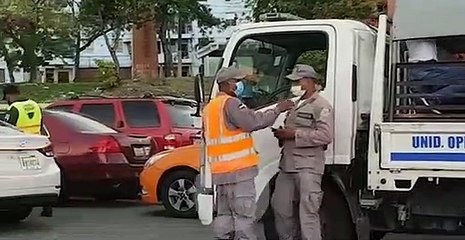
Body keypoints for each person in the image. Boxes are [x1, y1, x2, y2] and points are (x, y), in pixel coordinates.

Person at [202, 66, 294, 239]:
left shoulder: (210, 108)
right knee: (243, 217)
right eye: (238, 81)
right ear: (230, 85)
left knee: (224, 217)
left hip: (220, 173)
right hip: (239, 172)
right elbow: (253, 122)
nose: (240, 85)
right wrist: (277, 109)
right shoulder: (231, 103)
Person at [271, 64, 334, 240]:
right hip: (287, 165)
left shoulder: (321, 105)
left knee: (308, 213)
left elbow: (325, 136)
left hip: (308, 167)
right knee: (280, 207)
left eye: (298, 81)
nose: (295, 86)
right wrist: (282, 134)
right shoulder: (296, 104)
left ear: (310, 81)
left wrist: (294, 134)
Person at [2, 84, 53, 217]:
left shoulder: (14, 108)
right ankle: (47, 207)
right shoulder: (35, 104)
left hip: (17, 145)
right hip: (36, 143)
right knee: (38, 175)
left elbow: (8, 128)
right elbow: (41, 124)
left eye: (6, 97)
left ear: (9, 95)